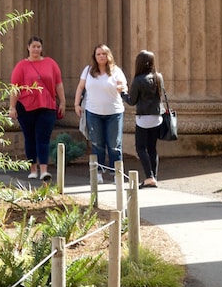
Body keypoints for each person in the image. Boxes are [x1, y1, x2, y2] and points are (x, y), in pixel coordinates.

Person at [9, 36, 66, 181]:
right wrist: (12, 107)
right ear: (28, 48)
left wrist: (63, 102)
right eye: (33, 46)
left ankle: (44, 170)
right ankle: (33, 168)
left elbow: (58, 84)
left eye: (38, 46)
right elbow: (15, 88)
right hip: (26, 107)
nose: (36, 49)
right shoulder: (21, 66)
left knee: (43, 138)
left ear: (42, 48)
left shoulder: (51, 63)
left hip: (47, 106)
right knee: (30, 138)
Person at [73, 44, 127, 183]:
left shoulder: (116, 71)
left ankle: (117, 173)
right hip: (93, 112)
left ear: (108, 55)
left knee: (114, 144)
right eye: (98, 54)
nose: (101, 56)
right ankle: (98, 173)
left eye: (104, 53)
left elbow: (123, 86)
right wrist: (77, 104)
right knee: (97, 143)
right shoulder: (88, 70)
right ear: (95, 57)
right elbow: (80, 87)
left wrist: (121, 87)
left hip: (114, 112)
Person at [120, 50, 164, 188]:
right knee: (152, 148)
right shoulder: (158, 77)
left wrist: (122, 93)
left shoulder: (138, 80)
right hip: (157, 117)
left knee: (140, 148)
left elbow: (132, 101)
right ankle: (154, 177)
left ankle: (149, 177)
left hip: (143, 118)